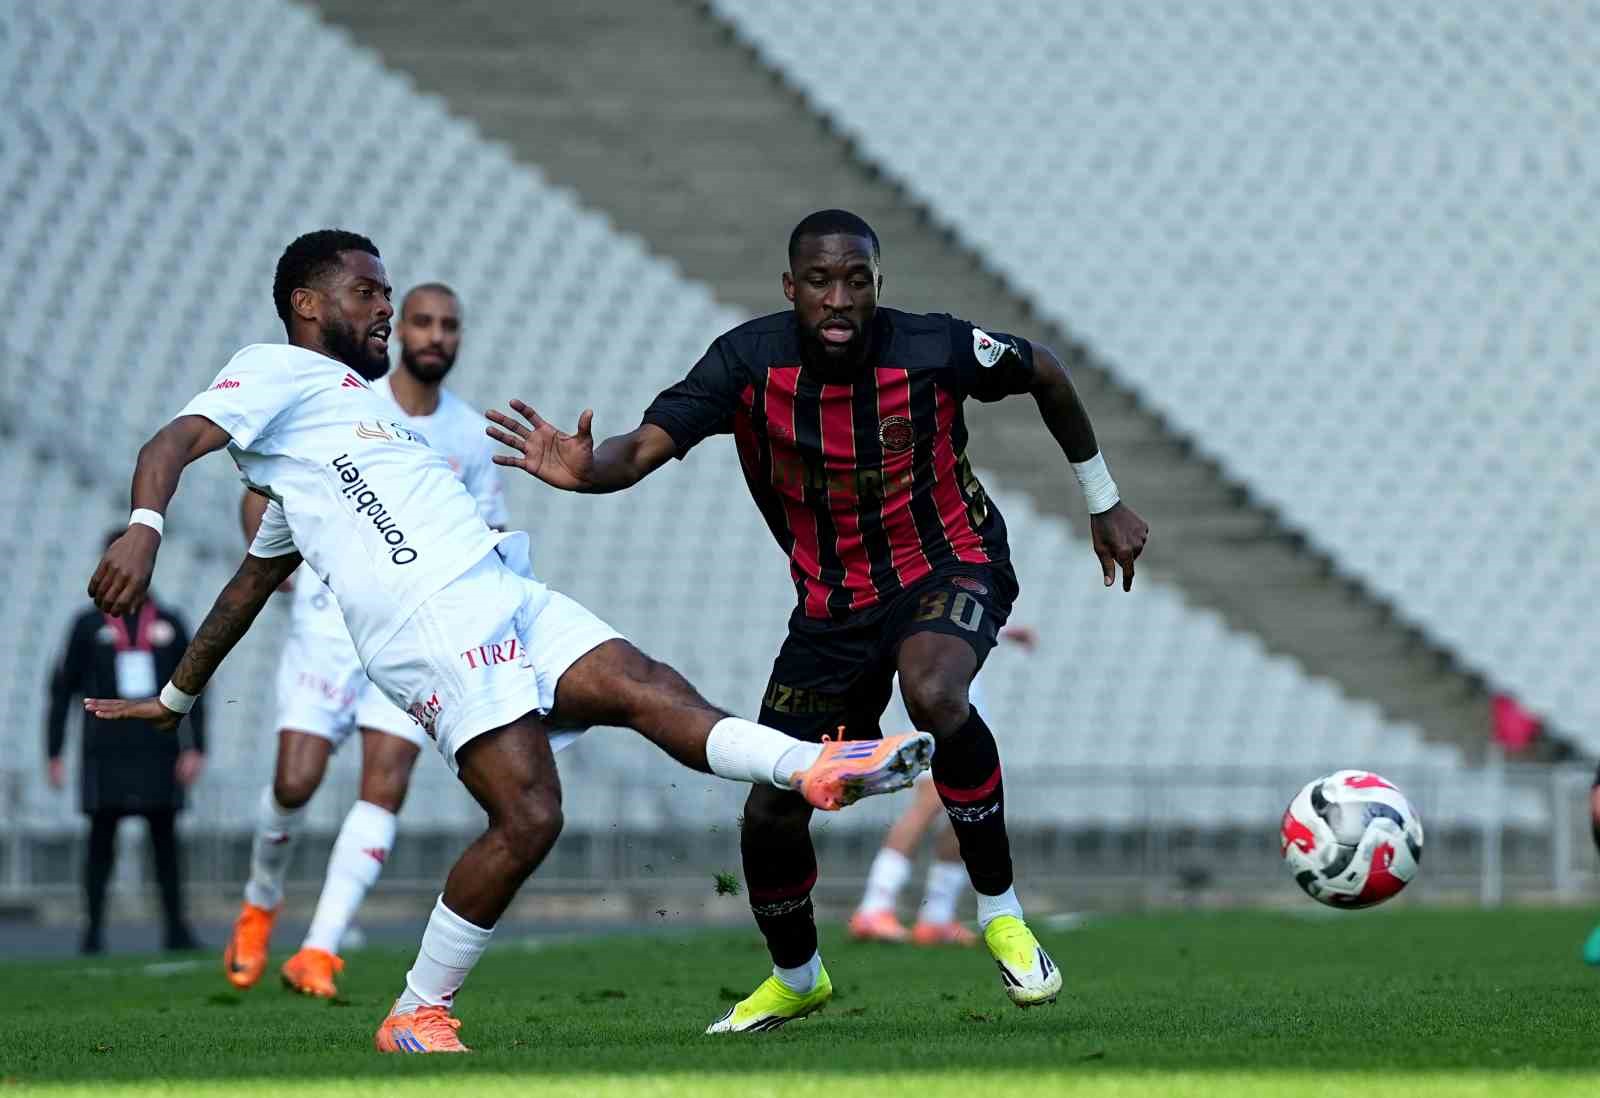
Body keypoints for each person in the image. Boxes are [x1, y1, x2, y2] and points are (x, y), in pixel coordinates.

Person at [83, 229, 932, 1054]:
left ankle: (813, 767)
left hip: (498, 588)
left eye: (388, 291)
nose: (386, 306)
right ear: (307, 305)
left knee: (646, 683)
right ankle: (417, 1012)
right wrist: (144, 526)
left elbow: (251, 580)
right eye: (369, 292)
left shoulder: (329, 435)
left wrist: (176, 697)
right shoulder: (274, 370)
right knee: (529, 814)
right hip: (430, 619)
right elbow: (173, 441)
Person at [485, 209, 1150, 1031]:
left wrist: (1103, 499)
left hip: (952, 561)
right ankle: (798, 977)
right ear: (790, 288)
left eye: (857, 280)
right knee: (772, 803)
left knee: (935, 694)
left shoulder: (934, 347)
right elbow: (642, 448)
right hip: (833, 608)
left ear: (880, 285)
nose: (840, 298)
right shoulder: (745, 362)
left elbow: (1043, 369)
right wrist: (588, 471)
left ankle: (1002, 916)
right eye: (821, 282)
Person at [225, 282, 510, 1001]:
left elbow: (488, 530)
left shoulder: (472, 436)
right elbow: (260, 488)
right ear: (401, 331)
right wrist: (271, 559)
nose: (436, 335)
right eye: (422, 321)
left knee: (384, 783)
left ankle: (318, 951)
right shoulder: (347, 403)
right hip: (328, 625)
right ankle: (262, 899)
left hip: (412, 632)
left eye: (449, 324)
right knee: (295, 782)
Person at [46, 535, 206, 954]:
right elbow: (61, 690)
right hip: (104, 749)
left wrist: (196, 747)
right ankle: (93, 931)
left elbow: (196, 687)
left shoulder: (169, 622)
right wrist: (54, 752)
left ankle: (177, 928)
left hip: (159, 744)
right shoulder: (87, 625)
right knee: (101, 841)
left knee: (165, 841)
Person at [849, 624, 1037, 947]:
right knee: (930, 798)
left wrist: (1004, 630)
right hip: (928, 673)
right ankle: (875, 904)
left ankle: (937, 915)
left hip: (952, 675)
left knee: (966, 802)